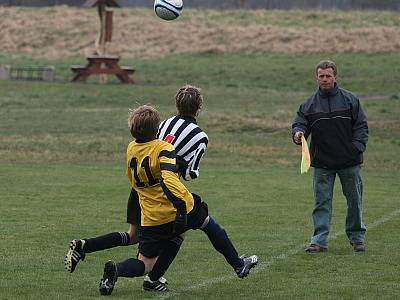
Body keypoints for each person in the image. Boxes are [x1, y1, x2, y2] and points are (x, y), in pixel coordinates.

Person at [98, 105, 258, 295]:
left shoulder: (131, 147)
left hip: (150, 214)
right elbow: (168, 180)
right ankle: (239, 264)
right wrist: (181, 210)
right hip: (174, 207)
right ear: (157, 129)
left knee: (145, 263)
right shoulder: (163, 148)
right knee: (207, 223)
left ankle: (118, 269)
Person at [64, 85, 209, 275]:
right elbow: (172, 174)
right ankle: (153, 278)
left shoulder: (144, 138)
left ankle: (84, 246)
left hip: (139, 190)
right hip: (156, 195)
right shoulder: (168, 141)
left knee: (132, 236)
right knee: (170, 238)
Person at [291, 60, 368, 253]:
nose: (324, 79)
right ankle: (319, 241)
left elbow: (361, 127)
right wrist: (298, 134)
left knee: (354, 201)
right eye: (321, 76)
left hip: (349, 162)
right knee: (321, 203)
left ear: (335, 77)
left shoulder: (350, 100)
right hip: (322, 163)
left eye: (328, 76)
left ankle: (357, 238)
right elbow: (300, 124)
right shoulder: (308, 104)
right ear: (316, 78)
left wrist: (356, 148)